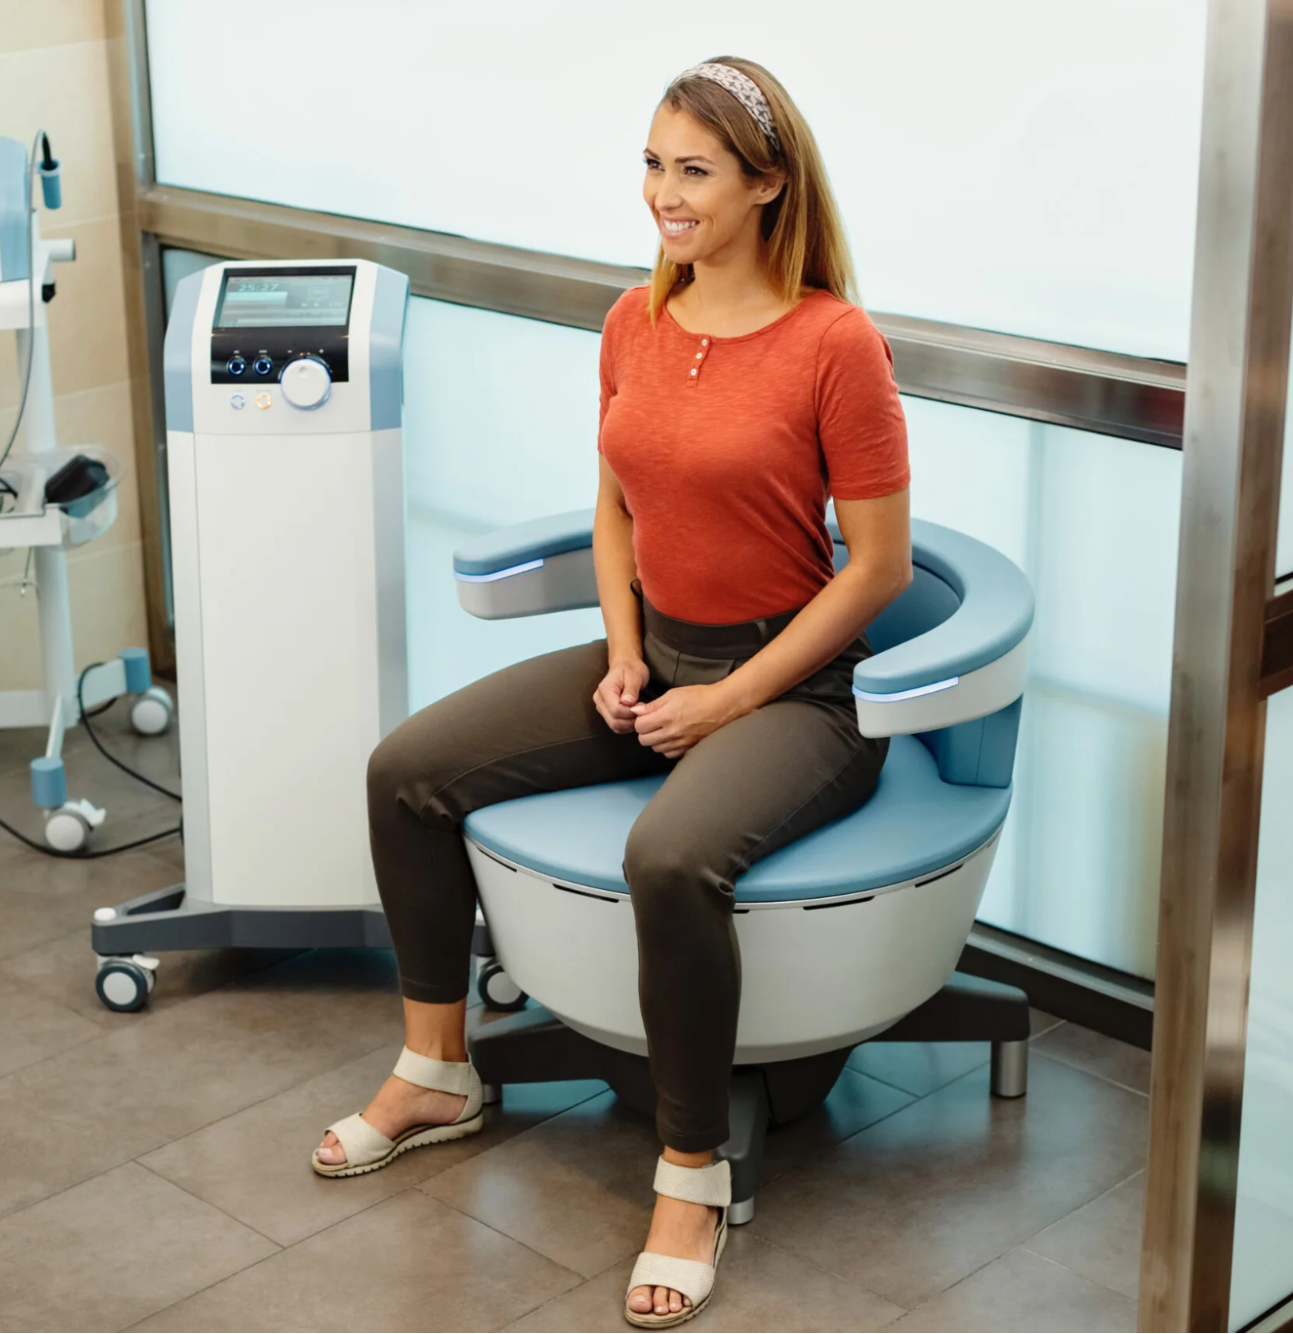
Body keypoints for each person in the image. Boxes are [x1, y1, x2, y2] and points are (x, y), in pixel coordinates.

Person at [312, 56, 912, 1329]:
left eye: (692, 170)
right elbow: (614, 502)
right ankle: (436, 1072)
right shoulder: (633, 319)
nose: (662, 194)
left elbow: (875, 571)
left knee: (672, 853)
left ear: (765, 184)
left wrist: (731, 696)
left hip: (798, 691)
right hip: (660, 657)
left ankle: (689, 1176)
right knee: (405, 771)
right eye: (651, 163)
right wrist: (627, 646)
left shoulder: (832, 343)